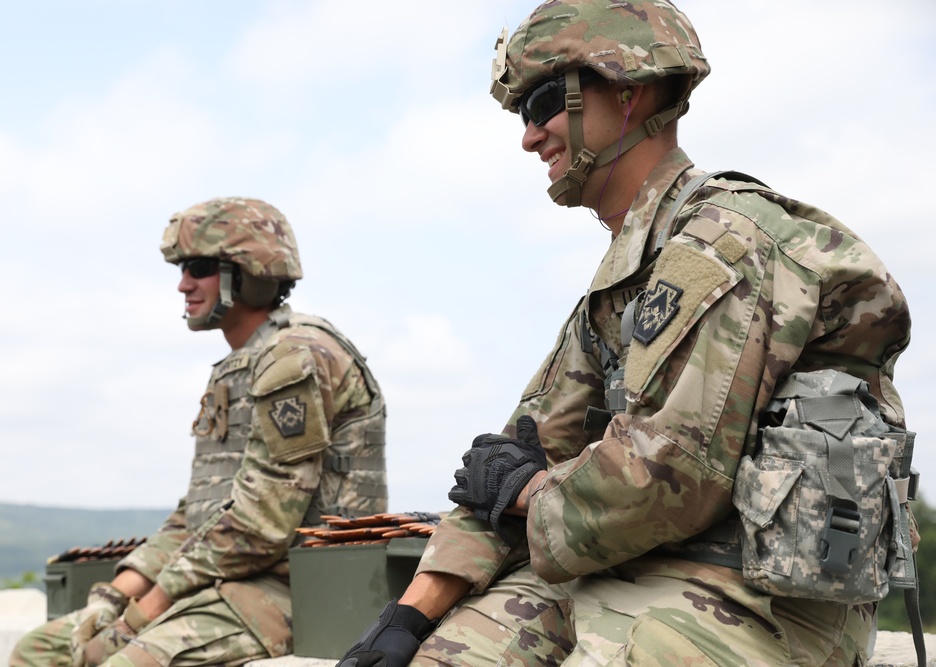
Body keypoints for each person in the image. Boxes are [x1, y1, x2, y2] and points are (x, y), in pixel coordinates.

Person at [336, 1, 919, 665]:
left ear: (628, 92)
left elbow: (668, 480)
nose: (529, 136)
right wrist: (407, 616)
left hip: (753, 597)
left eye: (542, 105)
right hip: (616, 568)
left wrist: (529, 491)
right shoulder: (627, 275)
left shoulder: (723, 245)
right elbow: (511, 459)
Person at [11, 197, 388, 667]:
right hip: (226, 577)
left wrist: (139, 615)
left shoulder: (295, 356)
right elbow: (198, 517)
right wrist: (113, 596)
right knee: (41, 651)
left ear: (250, 273)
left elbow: (260, 527)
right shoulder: (241, 364)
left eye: (199, 267)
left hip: (297, 586)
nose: (182, 284)